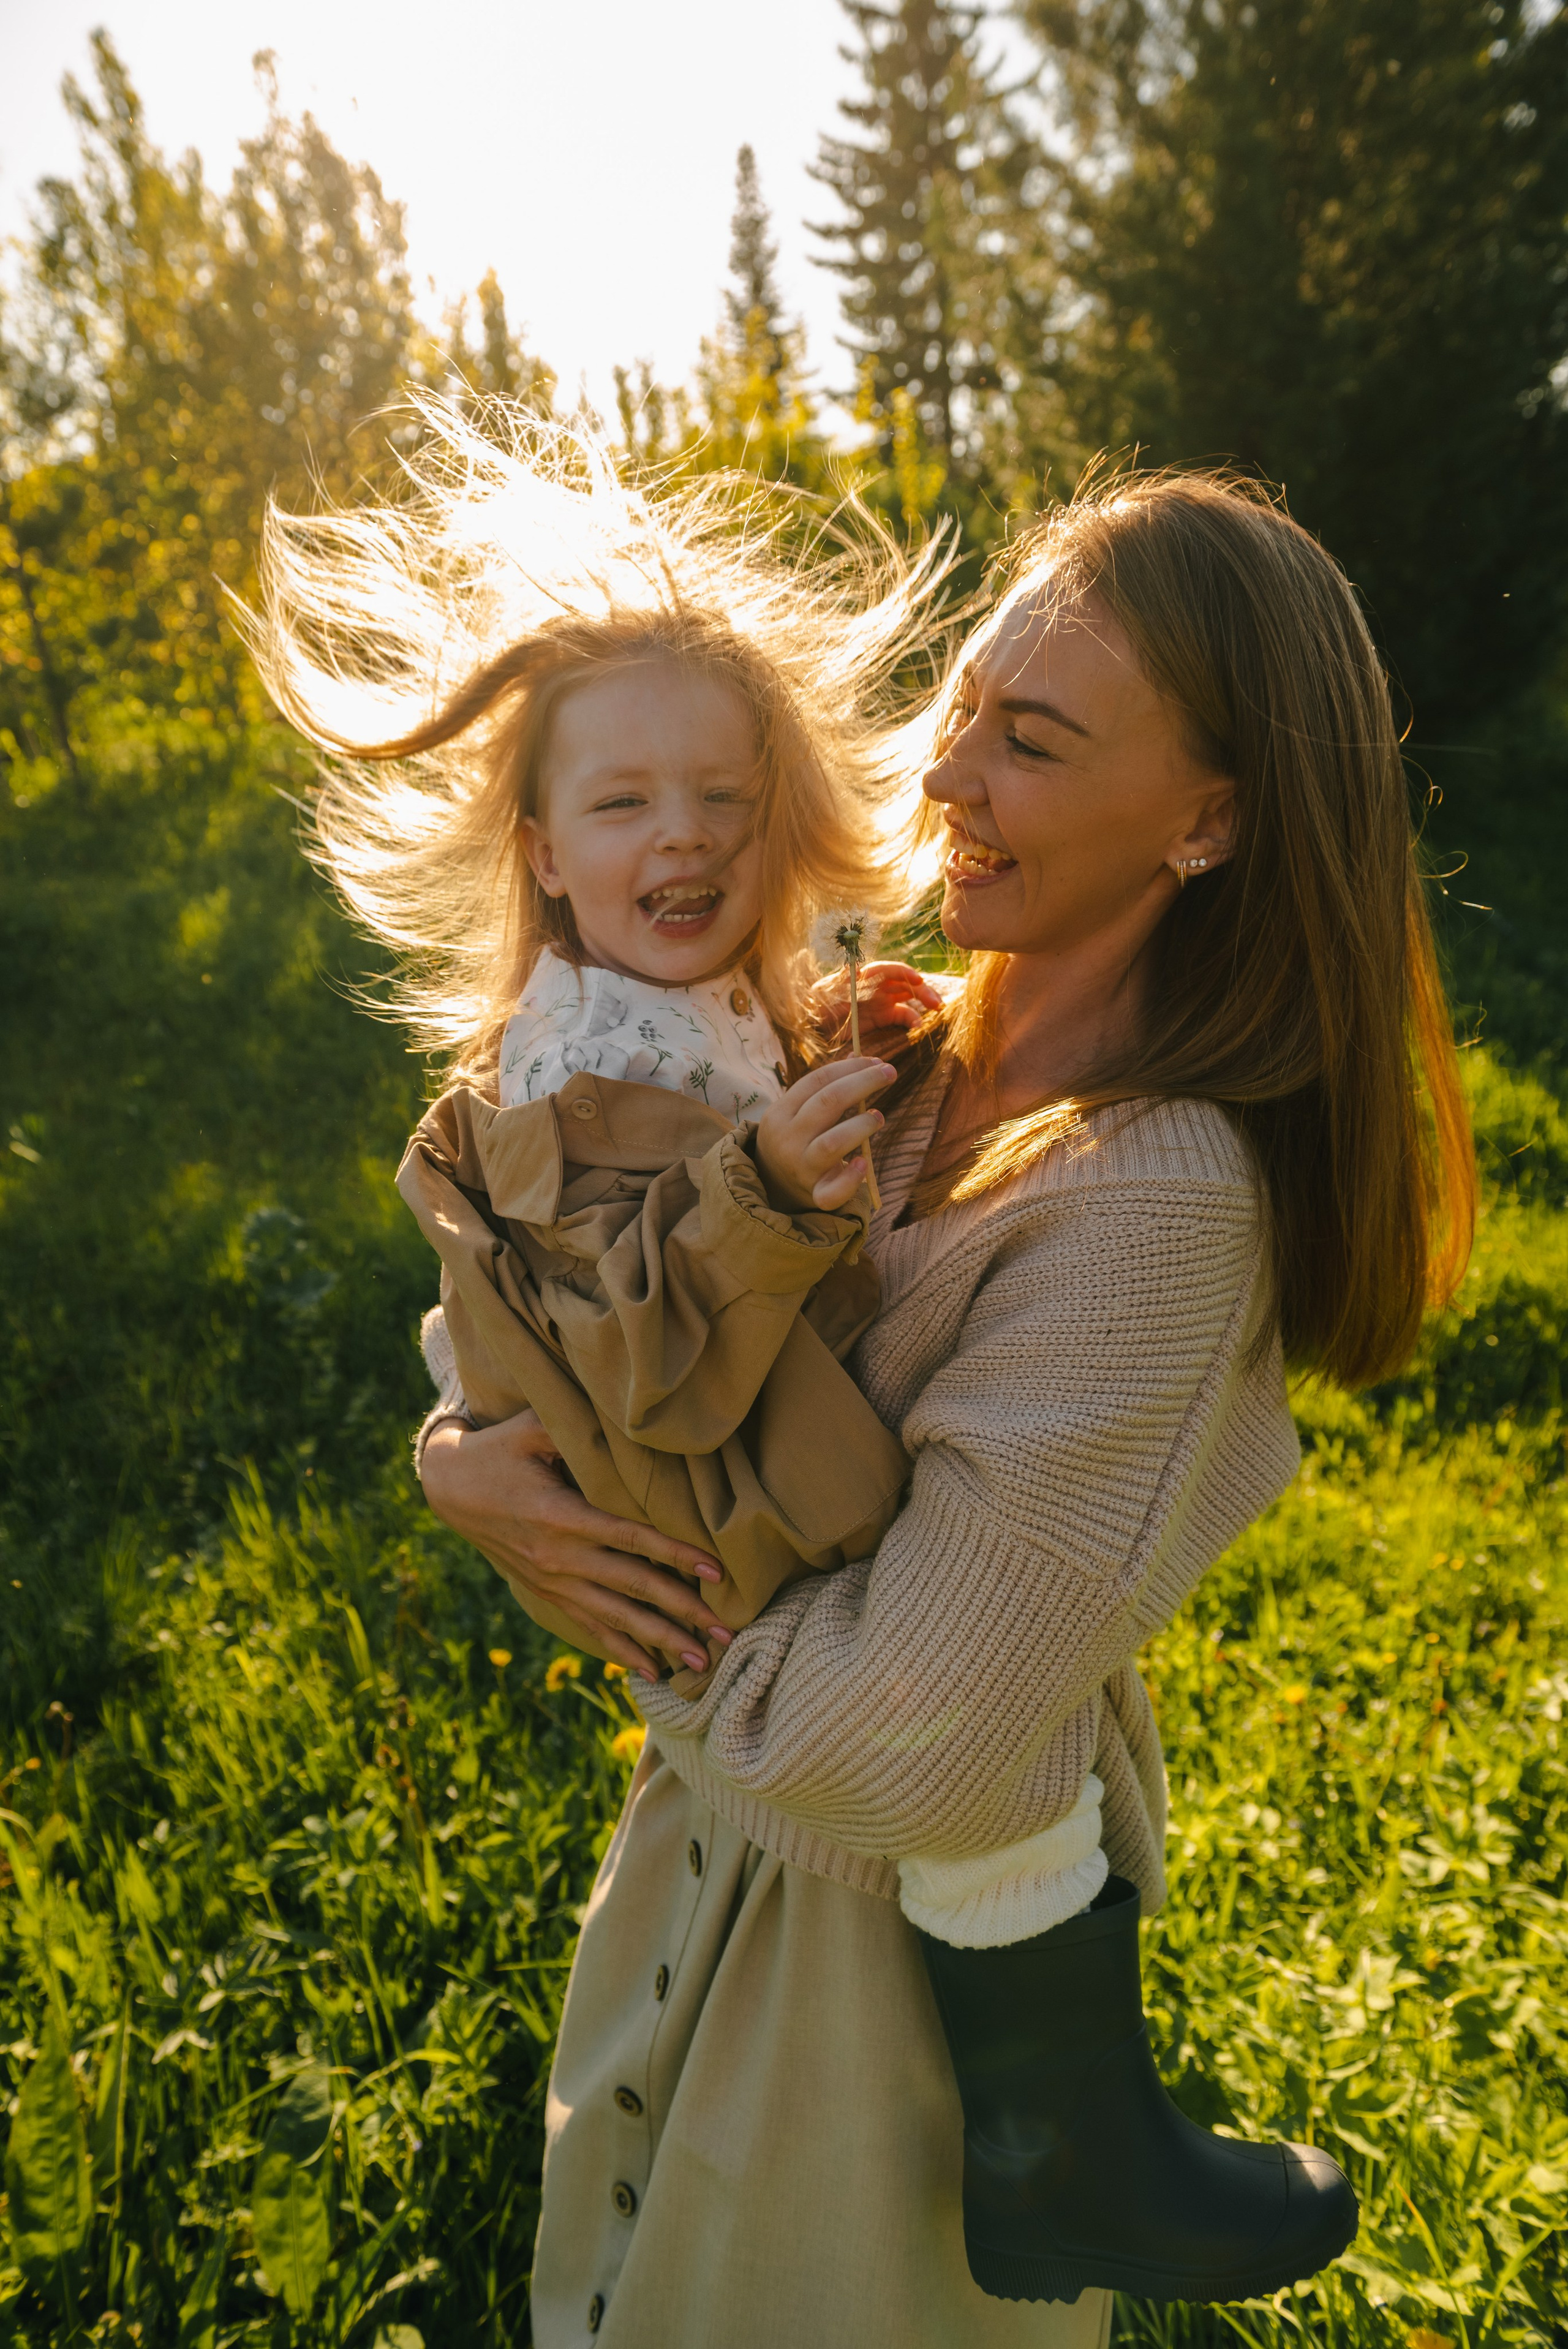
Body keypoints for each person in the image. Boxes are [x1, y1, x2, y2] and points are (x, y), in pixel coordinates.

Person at [418, 466, 1476, 2347]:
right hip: (705, 1892)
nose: (946, 773)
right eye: (968, 704)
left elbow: (892, 1743)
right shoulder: (882, 1056)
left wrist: (606, 1587)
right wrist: (470, 1462)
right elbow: (573, 1291)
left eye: (1036, 741)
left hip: (883, 2023)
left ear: (1209, 821)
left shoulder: (1153, 1205)